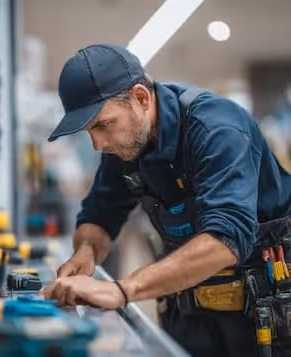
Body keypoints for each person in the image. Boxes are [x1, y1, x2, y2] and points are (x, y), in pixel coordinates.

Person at [41, 44, 291, 357]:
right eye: (89, 131)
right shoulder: (125, 144)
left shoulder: (216, 128)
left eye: (103, 125)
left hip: (259, 322)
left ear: (141, 98)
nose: (96, 144)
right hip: (186, 313)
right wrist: (87, 251)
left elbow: (225, 240)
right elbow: (99, 214)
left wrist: (122, 289)